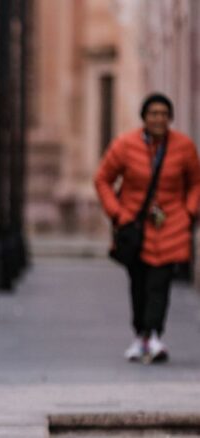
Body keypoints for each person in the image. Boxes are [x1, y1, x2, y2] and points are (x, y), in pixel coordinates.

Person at [94, 93, 200, 363]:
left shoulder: (184, 147)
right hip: (135, 228)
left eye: (164, 114)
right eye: (153, 114)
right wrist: (117, 214)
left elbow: (196, 183)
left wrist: (189, 213)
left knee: (159, 284)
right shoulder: (125, 145)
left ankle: (153, 334)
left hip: (171, 226)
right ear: (144, 118)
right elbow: (103, 179)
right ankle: (141, 333)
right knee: (139, 283)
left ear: (170, 118)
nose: (159, 119)